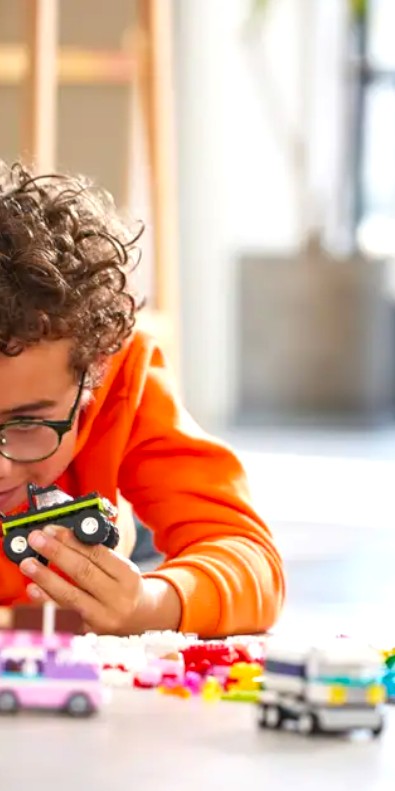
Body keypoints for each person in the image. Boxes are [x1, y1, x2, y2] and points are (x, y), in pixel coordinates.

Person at [0, 161, 285, 636]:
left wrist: (148, 605)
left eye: (28, 423)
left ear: (93, 375)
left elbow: (249, 559)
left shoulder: (121, 376)